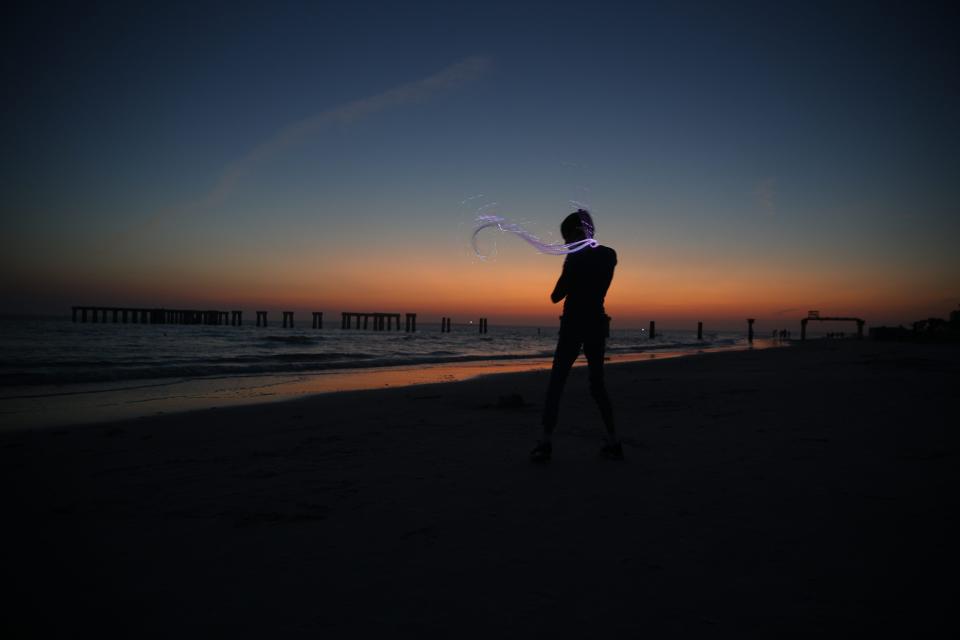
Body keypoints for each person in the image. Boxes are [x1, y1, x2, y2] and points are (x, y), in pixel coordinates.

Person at [530, 209, 621, 462]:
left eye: (566, 238)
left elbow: (556, 295)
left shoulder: (575, 259)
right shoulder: (609, 255)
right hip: (596, 324)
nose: (565, 244)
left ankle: (545, 442)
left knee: (557, 383)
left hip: (573, 325)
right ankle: (613, 441)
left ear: (573, 234)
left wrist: (571, 259)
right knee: (597, 385)